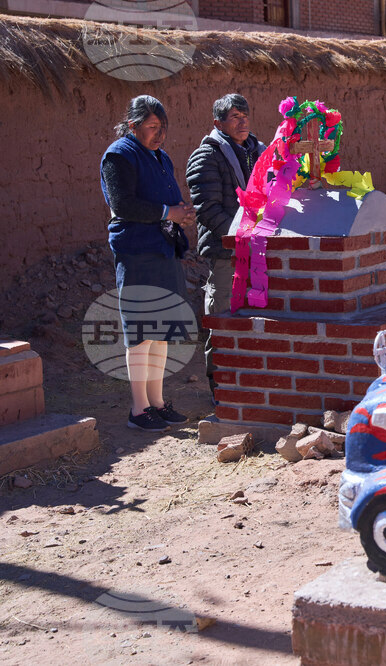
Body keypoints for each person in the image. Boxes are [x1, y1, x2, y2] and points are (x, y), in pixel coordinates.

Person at [100, 95, 195, 432]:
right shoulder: (118, 156)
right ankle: (138, 409)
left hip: (162, 248)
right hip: (137, 251)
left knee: (162, 330)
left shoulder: (160, 156)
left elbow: (165, 199)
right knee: (141, 331)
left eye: (162, 127)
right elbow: (123, 204)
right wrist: (169, 213)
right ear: (132, 126)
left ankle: (157, 402)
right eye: (152, 127)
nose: (159, 134)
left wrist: (179, 213)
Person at [185, 93, 264, 394]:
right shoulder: (206, 157)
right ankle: (221, 390)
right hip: (226, 252)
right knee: (222, 319)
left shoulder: (257, 151)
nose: (242, 121)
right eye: (234, 116)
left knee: (254, 318)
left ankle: (251, 386)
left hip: (257, 249)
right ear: (218, 122)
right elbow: (209, 210)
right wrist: (242, 235)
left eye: (245, 115)